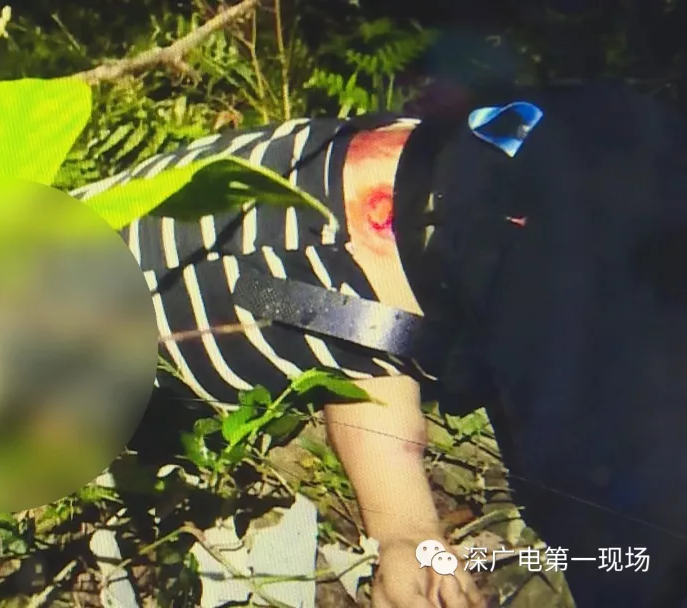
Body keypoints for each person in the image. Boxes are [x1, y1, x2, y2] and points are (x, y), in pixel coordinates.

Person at [71, 81, 687, 608]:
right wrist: (405, 531)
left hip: (481, 229)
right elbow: (357, 348)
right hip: (474, 192)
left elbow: (352, 332)